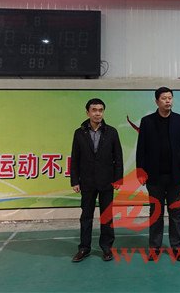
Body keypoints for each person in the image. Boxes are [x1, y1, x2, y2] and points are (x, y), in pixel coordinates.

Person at [136, 87, 180, 259]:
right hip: (154, 176)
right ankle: (154, 248)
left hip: (176, 176)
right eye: (164, 98)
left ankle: (177, 247)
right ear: (156, 101)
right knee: (156, 212)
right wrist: (140, 172)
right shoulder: (147, 121)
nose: (168, 101)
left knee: (176, 212)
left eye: (170, 98)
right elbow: (141, 149)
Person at [70, 98, 123, 262]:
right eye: (94, 110)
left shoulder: (111, 132)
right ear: (88, 113)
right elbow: (75, 158)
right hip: (86, 182)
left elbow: (118, 157)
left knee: (106, 216)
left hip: (107, 181)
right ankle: (84, 248)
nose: (97, 113)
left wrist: (118, 179)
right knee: (86, 216)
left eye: (100, 110)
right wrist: (74, 180)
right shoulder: (79, 133)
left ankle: (106, 247)